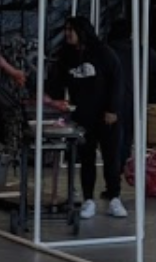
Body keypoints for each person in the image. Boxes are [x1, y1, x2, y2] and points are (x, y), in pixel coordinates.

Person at [46, 16, 127, 220]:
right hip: (82, 116)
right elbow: (57, 83)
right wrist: (52, 100)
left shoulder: (103, 52)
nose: (67, 34)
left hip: (107, 116)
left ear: (82, 31)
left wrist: (113, 109)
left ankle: (115, 198)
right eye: (65, 29)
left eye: (71, 29)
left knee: (111, 157)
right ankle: (88, 200)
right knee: (86, 158)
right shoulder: (65, 56)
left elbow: (117, 79)